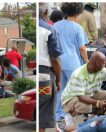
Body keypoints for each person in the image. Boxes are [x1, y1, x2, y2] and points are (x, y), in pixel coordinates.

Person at [60, 52, 106, 131]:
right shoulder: (79, 74)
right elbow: (81, 98)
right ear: (97, 63)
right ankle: (70, 117)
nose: (105, 65)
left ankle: (92, 118)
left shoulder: (101, 70)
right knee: (86, 106)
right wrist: (97, 103)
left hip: (89, 94)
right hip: (71, 98)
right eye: (103, 63)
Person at [53, 3, 89, 125]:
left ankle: (59, 114)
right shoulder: (77, 27)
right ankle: (70, 114)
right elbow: (82, 48)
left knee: (60, 89)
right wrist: (87, 62)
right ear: (78, 13)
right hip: (73, 63)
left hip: (58, 61)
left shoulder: (56, 25)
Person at [39, 3, 62, 132]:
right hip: (45, 73)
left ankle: (56, 126)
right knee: (44, 105)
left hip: (39, 71)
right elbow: (55, 59)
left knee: (40, 104)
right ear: (46, 13)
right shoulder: (49, 30)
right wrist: (58, 79)